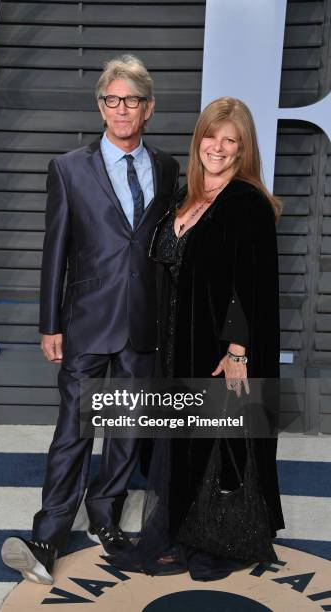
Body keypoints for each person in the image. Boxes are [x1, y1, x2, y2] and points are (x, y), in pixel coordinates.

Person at [0, 55, 179, 584]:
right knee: (74, 430)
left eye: (132, 100)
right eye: (112, 99)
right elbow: (55, 250)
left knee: (125, 428)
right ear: (100, 106)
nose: (121, 109)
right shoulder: (68, 168)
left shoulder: (168, 168)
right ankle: (50, 533)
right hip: (85, 321)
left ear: (148, 108)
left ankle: (105, 516)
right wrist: (48, 322)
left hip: (143, 322)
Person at [110, 96, 285, 580]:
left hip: (214, 349)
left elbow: (252, 286)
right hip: (173, 346)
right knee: (180, 441)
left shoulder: (246, 202)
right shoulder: (185, 197)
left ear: (243, 149)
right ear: (199, 138)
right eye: (212, 135)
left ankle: (219, 542)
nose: (219, 147)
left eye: (231, 141)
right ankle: (180, 530)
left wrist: (237, 351)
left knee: (218, 443)